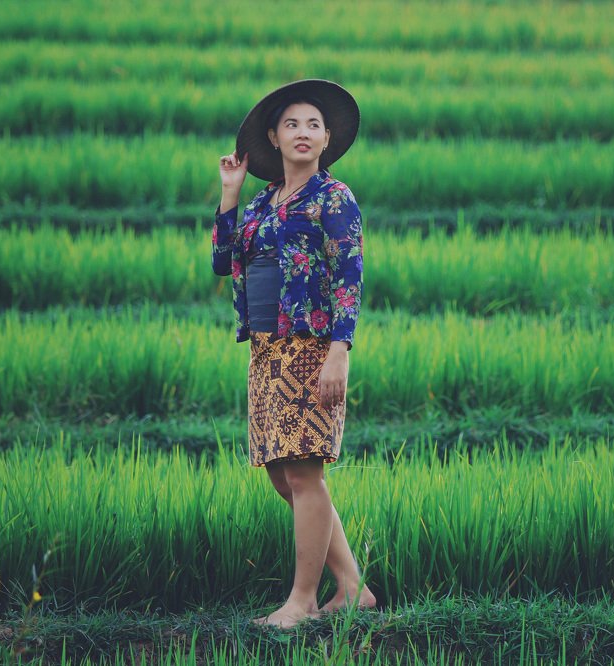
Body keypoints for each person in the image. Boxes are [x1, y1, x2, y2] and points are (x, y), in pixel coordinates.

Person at [212, 79, 375, 629]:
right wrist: (230, 196)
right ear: (273, 139)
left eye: (312, 125)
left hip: (310, 349)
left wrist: (339, 351)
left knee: (305, 474)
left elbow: (349, 277)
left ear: (327, 138)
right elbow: (223, 262)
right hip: (265, 350)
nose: (302, 132)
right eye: (291, 124)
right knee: (283, 476)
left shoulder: (334, 198)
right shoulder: (262, 201)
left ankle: (302, 602)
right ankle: (353, 587)